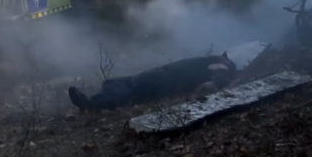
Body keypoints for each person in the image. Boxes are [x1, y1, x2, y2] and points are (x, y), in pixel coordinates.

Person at [68, 53, 236, 111]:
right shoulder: (207, 60)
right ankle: (96, 99)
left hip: (166, 82)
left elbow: (216, 82)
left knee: (130, 91)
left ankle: (91, 105)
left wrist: (219, 71)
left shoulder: (218, 69)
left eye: (224, 60)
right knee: (118, 83)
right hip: (161, 75)